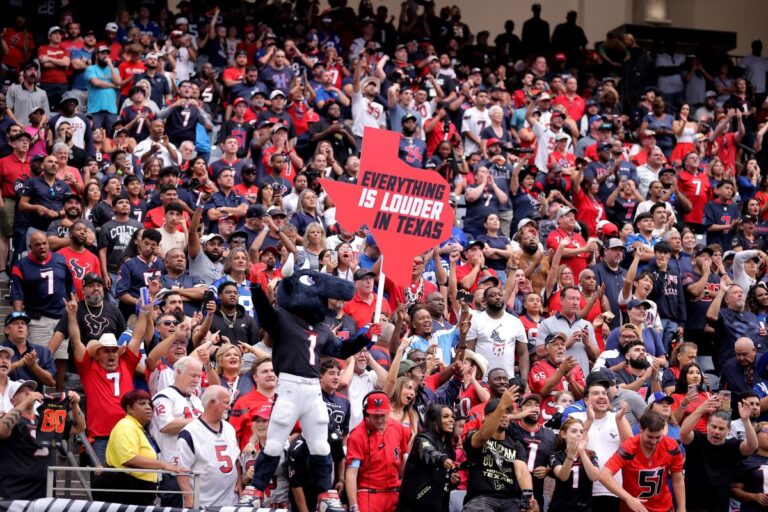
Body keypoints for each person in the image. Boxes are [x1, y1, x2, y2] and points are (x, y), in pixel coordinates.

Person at [67, 291, 149, 464]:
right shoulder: (89, 368)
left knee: (126, 480)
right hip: (100, 435)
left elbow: (137, 336)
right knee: (102, 483)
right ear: (97, 354)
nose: (111, 354)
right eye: (106, 350)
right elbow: (76, 342)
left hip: (127, 432)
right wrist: (73, 316)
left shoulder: (126, 364)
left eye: (114, 350)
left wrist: (144, 312)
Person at [95, 389, 185, 505]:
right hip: (127, 491)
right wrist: (164, 465)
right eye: (142, 404)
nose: (148, 407)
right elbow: (129, 459)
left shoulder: (139, 428)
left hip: (139, 490)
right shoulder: (126, 426)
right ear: (129, 408)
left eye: (149, 404)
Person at [0, 380, 83, 499]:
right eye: (23, 391)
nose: (29, 392)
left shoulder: (47, 420)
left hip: (45, 491)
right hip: (15, 491)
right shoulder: (10, 420)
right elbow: (2, 430)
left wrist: (75, 405)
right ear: (13, 401)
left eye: (30, 389)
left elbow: (78, 427)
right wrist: (26, 402)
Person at [462, 386, 536, 512]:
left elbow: (523, 472)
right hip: (481, 499)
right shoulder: (474, 436)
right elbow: (484, 435)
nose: (504, 415)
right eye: (499, 412)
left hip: (510, 500)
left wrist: (528, 500)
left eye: (507, 413)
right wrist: (501, 405)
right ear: (485, 418)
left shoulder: (516, 445)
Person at [681, 397, 758, 512]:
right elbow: (683, 433)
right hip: (692, 506)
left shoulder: (732, 446)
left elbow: (752, 446)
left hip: (719, 507)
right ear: (707, 426)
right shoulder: (697, 439)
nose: (716, 431)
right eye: (713, 427)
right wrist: (700, 410)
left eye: (721, 428)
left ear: (728, 431)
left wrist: (746, 420)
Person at [599, 411, 686, 512]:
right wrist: (628, 498)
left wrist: (682, 507)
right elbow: (604, 475)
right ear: (641, 429)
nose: (654, 441)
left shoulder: (671, 446)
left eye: (658, 437)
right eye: (650, 437)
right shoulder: (629, 448)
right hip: (634, 509)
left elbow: (678, 479)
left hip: (663, 507)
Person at [345, 391, 410, 512]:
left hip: (394, 494)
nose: (380, 420)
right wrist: (354, 507)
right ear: (367, 413)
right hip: (368, 495)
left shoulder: (398, 428)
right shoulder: (357, 435)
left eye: (383, 415)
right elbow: (351, 473)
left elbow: (403, 463)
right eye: (375, 416)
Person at [177, 385, 241, 508]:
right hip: (203, 503)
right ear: (212, 402)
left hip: (231, 501)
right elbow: (182, 470)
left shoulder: (229, 428)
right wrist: (188, 498)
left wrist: (239, 482)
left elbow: (235, 459)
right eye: (226, 403)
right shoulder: (190, 432)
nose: (229, 407)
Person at [399, 403, 459, 512]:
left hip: (438, 506)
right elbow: (429, 452)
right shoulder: (422, 439)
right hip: (415, 507)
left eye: (452, 417)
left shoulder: (449, 448)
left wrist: (452, 479)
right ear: (434, 421)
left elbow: (443, 481)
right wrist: (442, 460)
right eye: (446, 416)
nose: (452, 420)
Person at [466, 286, 529, 380]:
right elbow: (470, 352)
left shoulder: (515, 322)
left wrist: (524, 380)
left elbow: (523, 353)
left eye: (500, 295)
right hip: (482, 379)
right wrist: (471, 378)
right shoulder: (476, 320)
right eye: (492, 295)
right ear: (484, 301)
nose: (498, 297)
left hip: (508, 380)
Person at [529, 332, 585, 423]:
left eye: (563, 344)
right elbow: (543, 391)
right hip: (546, 419)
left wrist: (571, 379)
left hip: (571, 419)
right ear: (546, 350)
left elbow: (582, 396)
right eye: (555, 345)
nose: (560, 347)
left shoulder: (575, 367)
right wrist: (561, 370)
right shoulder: (538, 367)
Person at [548, 417, 600, 512]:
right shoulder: (556, 455)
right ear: (563, 434)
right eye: (574, 431)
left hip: (584, 508)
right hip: (560, 507)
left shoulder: (591, 454)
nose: (578, 435)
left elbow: (594, 477)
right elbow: (563, 476)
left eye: (581, 432)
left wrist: (582, 452)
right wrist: (570, 456)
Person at [0, 311, 56, 389]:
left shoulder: (42, 351)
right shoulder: (1, 349)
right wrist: (18, 364)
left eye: (23, 323)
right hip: (6, 399)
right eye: (15, 323)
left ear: (27, 330)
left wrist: (34, 366)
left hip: (36, 399)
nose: (20, 326)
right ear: (6, 330)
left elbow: (51, 382)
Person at [731, 420, 768, 510]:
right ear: (756, 434)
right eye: (766, 431)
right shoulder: (746, 460)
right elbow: (734, 490)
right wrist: (753, 497)